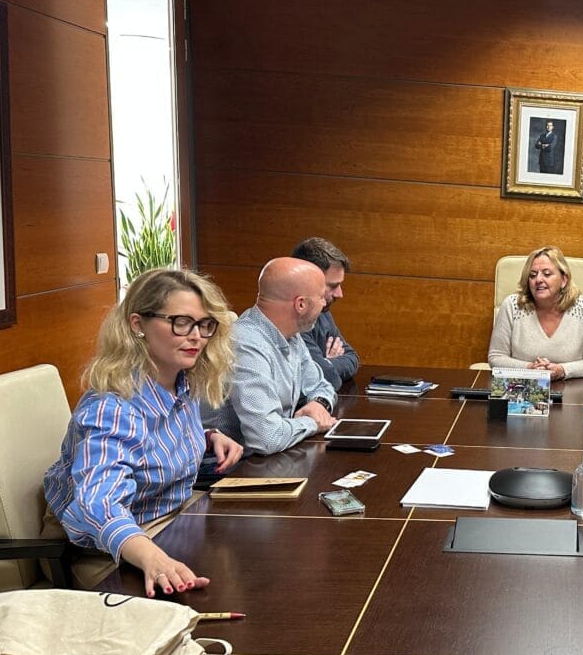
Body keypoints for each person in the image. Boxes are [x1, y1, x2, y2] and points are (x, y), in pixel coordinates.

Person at [43, 268, 244, 597]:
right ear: (138, 325)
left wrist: (207, 437)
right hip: (107, 549)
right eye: (181, 322)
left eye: (205, 324)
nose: (196, 336)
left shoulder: (180, 382)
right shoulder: (113, 407)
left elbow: (152, 440)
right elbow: (100, 503)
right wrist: (152, 556)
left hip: (172, 522)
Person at [202, 256, 337, 455]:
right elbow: (266, 439)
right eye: (321, 298)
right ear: (300, 304)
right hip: (228, 470)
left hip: (269, 460)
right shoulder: (245, 344)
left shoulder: (291, 335)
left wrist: (319, 404)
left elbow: (321, 385)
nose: (324, 303)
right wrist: (312, 422)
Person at [487, 246, 583, 380]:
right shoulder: (512, 305)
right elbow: (496, 357)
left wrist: (562, 370)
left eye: (547, 274)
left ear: (564, 280)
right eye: (532, 275)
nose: (538, 280)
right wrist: (530, 368)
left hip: (572, 392)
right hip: (520, 389)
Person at [291, 236, 360, 389]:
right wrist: (325, 367)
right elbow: (321, 376)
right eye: (333, 286)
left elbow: (352, 358)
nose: (339, 294)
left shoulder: (322, 312)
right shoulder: (292, 320)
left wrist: (326, 363)